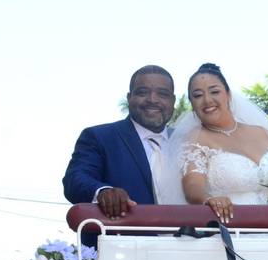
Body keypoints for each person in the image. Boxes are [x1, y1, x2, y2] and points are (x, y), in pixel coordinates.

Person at [166, 63, 268, 223]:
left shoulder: (262, 132)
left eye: (215, 92)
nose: (207, 100)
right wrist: (208, 198)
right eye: (197, 95)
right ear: (192, 105)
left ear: (228, 95)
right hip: (235, 231)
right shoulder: (195, 139)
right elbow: (192, 186)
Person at [63, 65, 181, 219]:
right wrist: (103, 192)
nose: (152, 99)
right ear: (129, 97)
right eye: (142, 92)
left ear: (172, 101)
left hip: (191, 240)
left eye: (162, 94)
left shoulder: (188, 141)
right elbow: (75, 180)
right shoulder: (99, 137)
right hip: (122, 240)